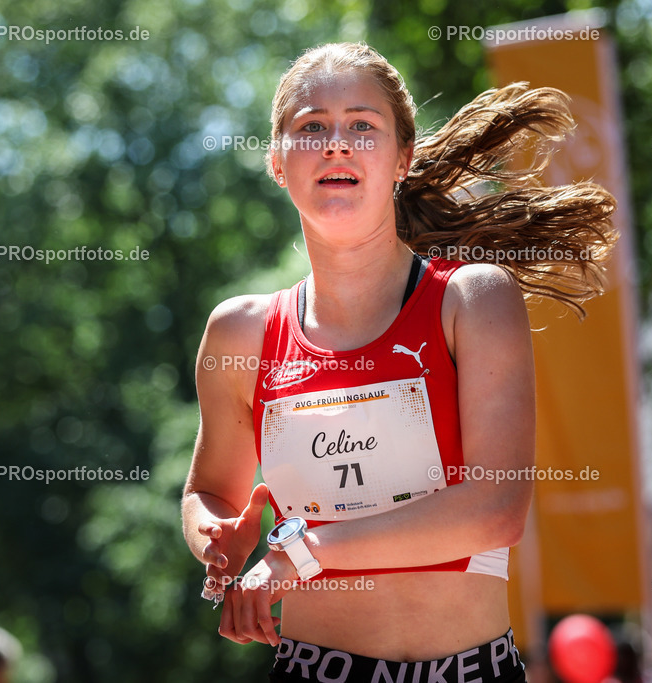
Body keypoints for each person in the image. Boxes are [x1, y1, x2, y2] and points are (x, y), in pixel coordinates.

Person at [182, 42, 616, 683]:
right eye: (311, 128)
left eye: (363, 124)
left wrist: (298, 553)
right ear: (277, 162)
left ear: (401, 158)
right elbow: (210, 492)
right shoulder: (239, 333)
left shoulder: (473, 298)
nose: (337, 143)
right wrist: (217, 539)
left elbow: (496, 508)